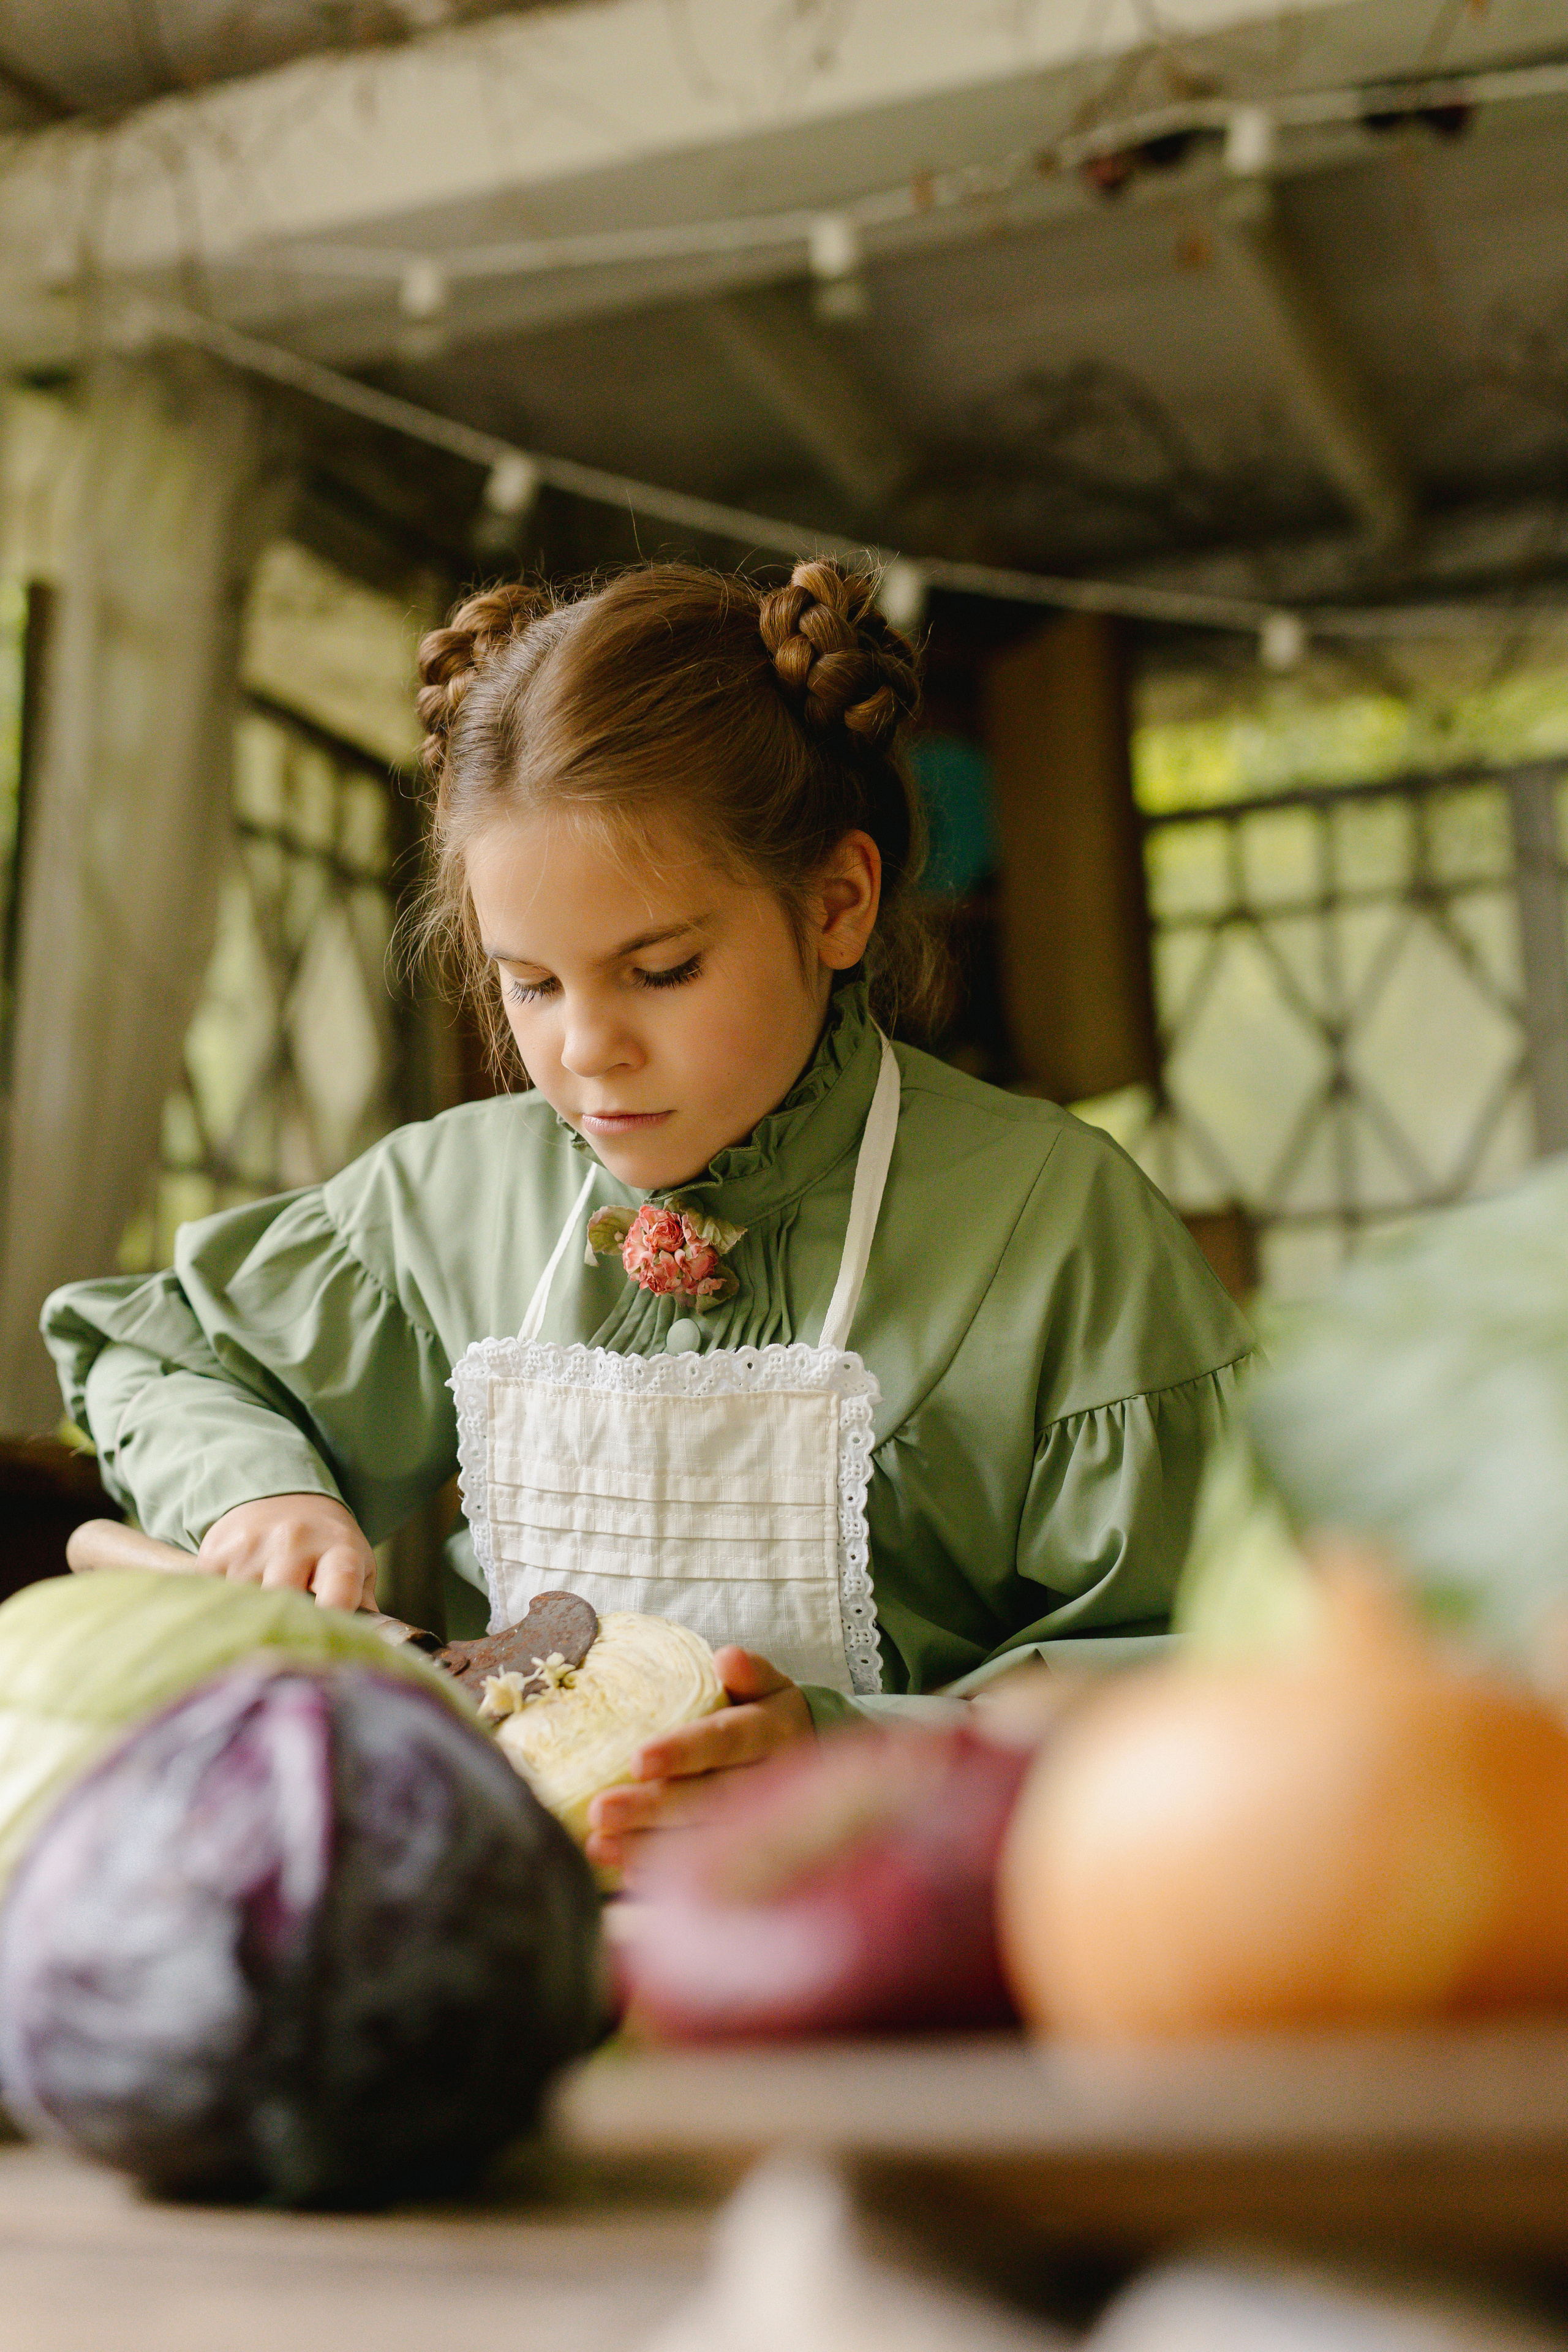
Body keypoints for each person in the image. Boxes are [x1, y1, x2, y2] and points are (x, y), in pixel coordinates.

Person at [44, 560, 1251, 1874]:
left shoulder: (1053, 1221)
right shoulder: (450, 1198)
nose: (589, 1051)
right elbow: (165, 1356)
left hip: (902, 1935)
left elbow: (1210, 1671)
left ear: (835, 903)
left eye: (660, 970)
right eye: (530, 986)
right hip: (516, 1929)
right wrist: (258, 1497)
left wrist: (851, 1750)